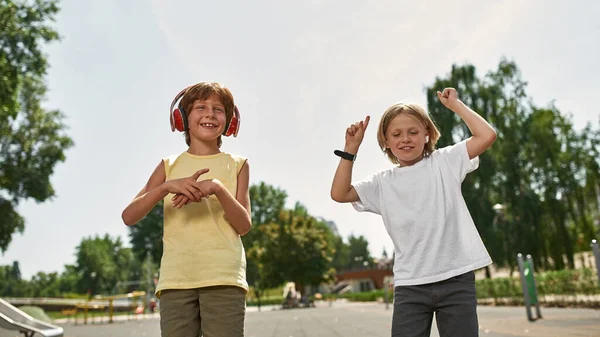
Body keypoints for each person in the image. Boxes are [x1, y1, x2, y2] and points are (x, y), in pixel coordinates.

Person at [330, 87, 496, 337]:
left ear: (427, 134)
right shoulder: (382, 183)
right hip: (410, 286)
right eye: (396, 134)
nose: (405, 139)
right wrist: (350, 149)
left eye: (413, 132)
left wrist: (456, 106)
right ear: (385, 141)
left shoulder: (445, 162)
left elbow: (486, 135)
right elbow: (340, 193)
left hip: (456, 279)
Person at [121, 82, 251, 337]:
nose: (210, 114)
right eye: (201, 107)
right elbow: (129, 216)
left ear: (230, 121)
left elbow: (244, 226)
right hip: (176, 280)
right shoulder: (168, 166)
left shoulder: (238, 165)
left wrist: (217, 188)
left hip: (223, 277)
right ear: (181, 119)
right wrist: (166, 187)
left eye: (218, 109)